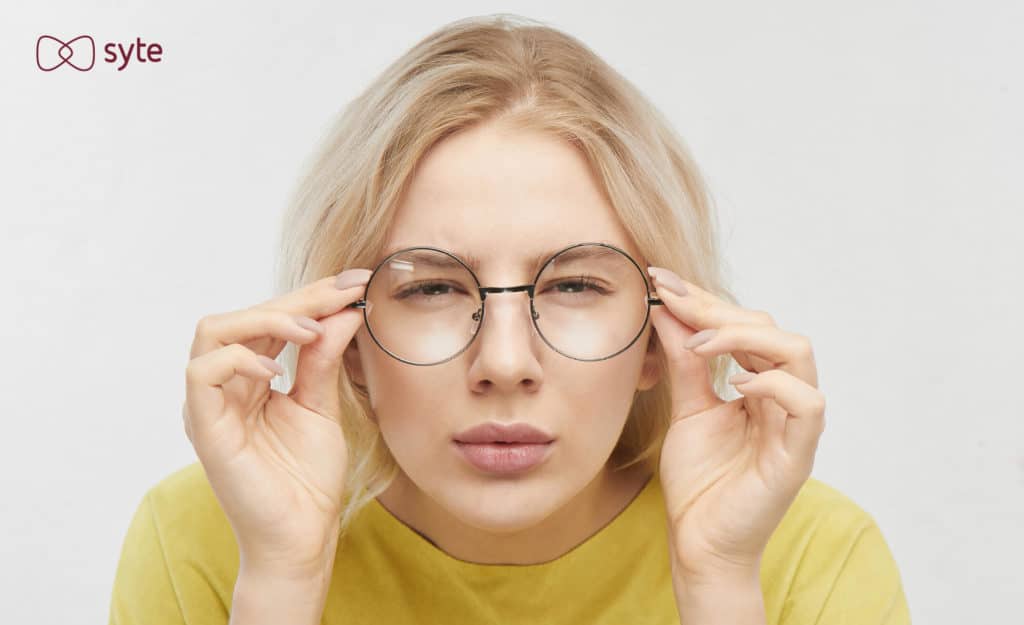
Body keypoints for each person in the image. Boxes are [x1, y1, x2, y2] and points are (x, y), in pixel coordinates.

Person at [108, 13, 910, 625]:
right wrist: (282, 578)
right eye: (429, 289)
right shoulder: (208, 534)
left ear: (662, 339)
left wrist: (720, 582)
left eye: (574, 285)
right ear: (347, 337)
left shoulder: (809, 553)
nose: (504, 361)